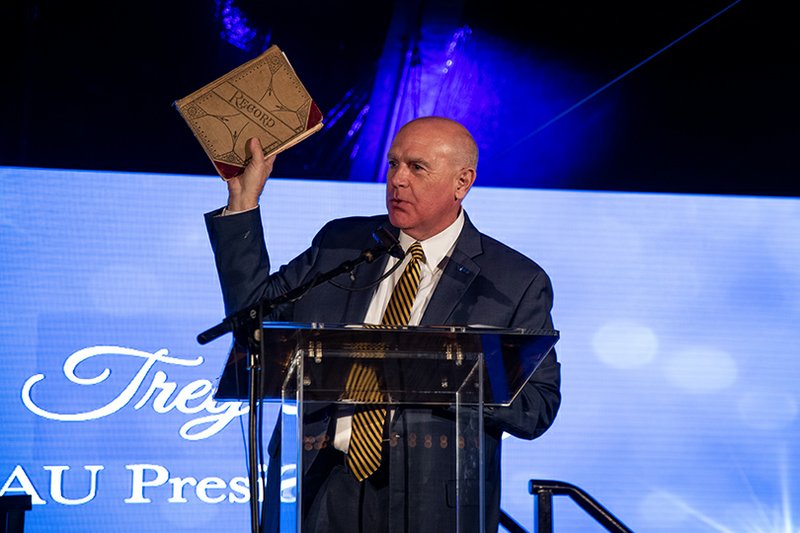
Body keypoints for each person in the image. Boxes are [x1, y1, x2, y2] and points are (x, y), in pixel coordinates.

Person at [204, 116, 561, 532]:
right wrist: (244, 204)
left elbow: (538, 408)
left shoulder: (512, 280)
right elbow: (254, 319)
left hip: (430, 504)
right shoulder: (343, 244)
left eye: (417, 167)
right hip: (317, 489)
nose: (397, 180)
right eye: (393, 164)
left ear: (462, 183)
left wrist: (441, 377)